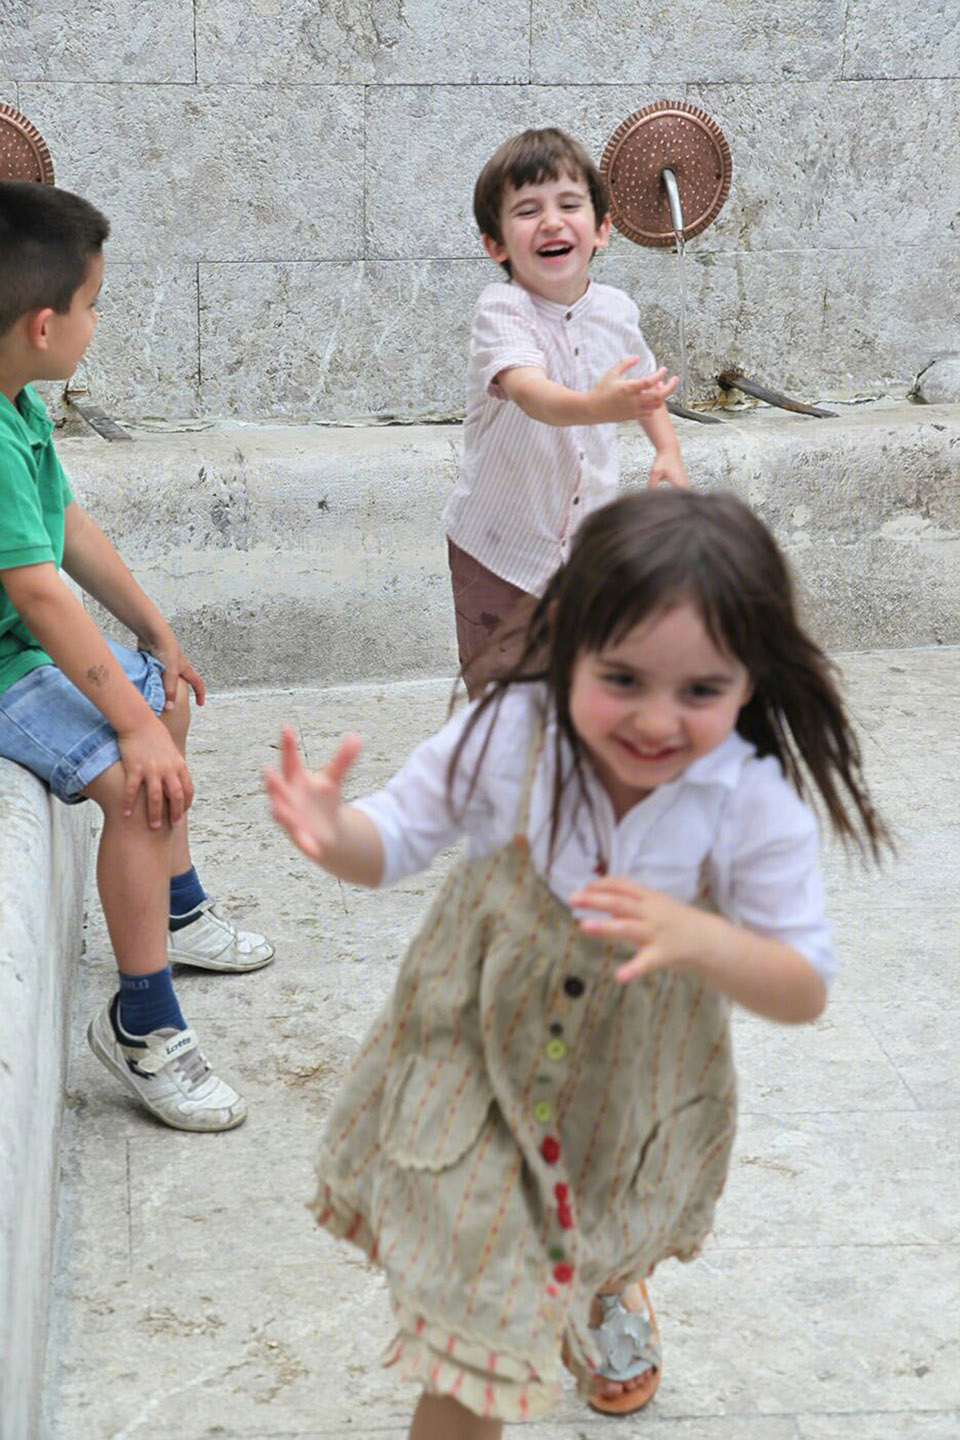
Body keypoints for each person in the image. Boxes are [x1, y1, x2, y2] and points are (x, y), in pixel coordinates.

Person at [266, 488, 888, 1436]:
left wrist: (702, 938)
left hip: (625, 1095)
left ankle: (611, 1286)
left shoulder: (747, 802)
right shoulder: (509, 736)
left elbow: (802, 985)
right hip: (467, 1061)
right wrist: (335, 832)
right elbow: (392, 839)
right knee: (475, 1347)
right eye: (623, 679)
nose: (655, 721)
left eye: (701, 691)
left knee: (593, 1230)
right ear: (568, 647)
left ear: (751, 681)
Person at [0, 180, 273, 1133]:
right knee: (137, 781)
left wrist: (155, 634)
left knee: (173, 702)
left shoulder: (19, 404)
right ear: (44, 323)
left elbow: (65, 527)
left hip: (23, 646)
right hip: (2, 668)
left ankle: (179, 908)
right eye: (92, 305)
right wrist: (126, 724)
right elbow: (36, 593)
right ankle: (144, 1023)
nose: (94, 322)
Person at [444, 126, 688, 697]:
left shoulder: (616, 311)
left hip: (584, 552)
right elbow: (532, 394)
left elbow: (642, 386)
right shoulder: (500, 311)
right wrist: (597, 407)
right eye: (527, 211)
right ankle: (500, 777)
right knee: (501, 697)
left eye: (569, 205)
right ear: (496, 245)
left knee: (576, 686)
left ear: (602, 230)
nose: (551, 221)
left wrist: (667, 447)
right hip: (496, 548)